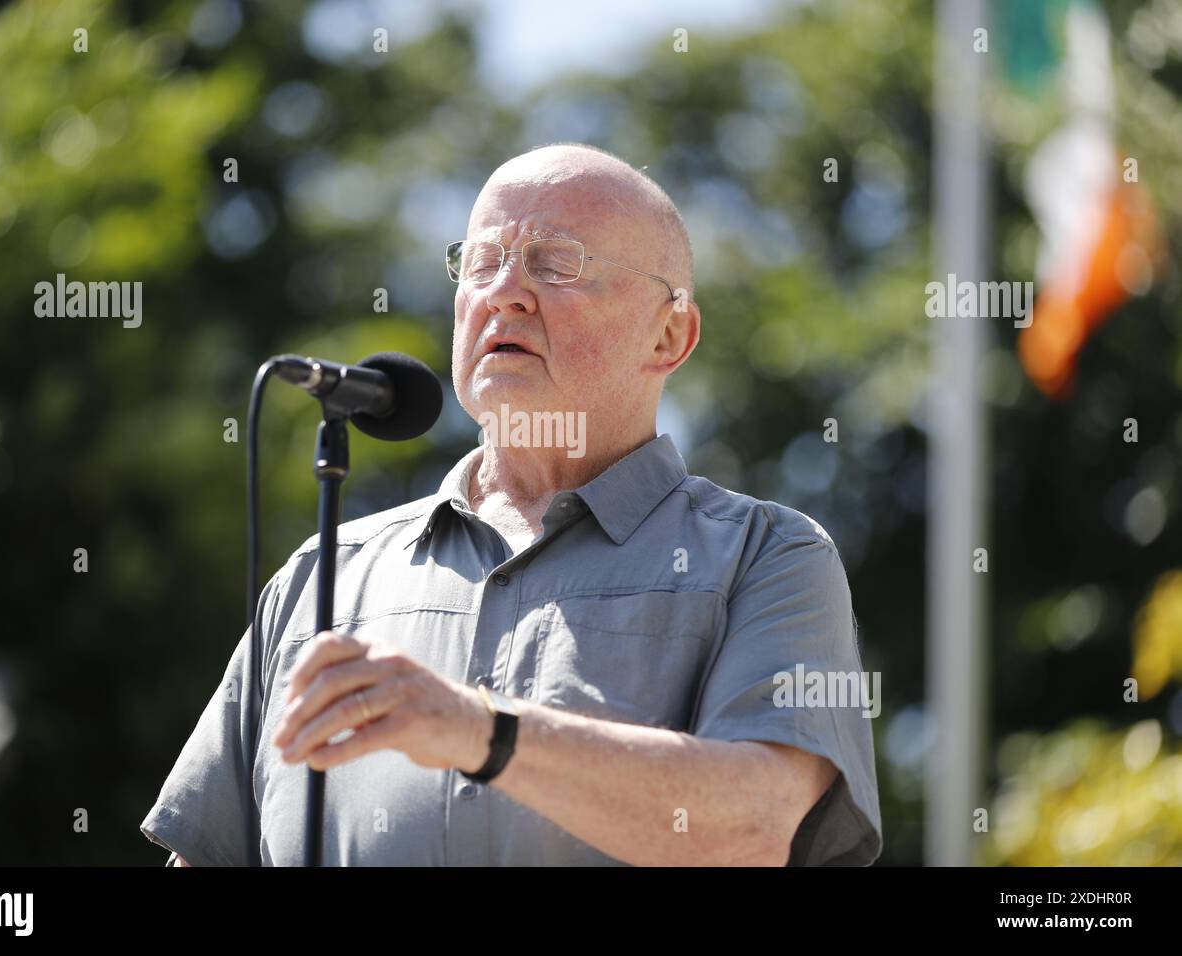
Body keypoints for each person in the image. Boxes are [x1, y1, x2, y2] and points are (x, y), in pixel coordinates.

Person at [140, 142, 881, 866]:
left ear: (670, 333)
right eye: (483, 263)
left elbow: (753, 830)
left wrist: (476, 730)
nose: (505, 292)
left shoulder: (768, 557)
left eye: (557, 262)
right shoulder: (321, 575)